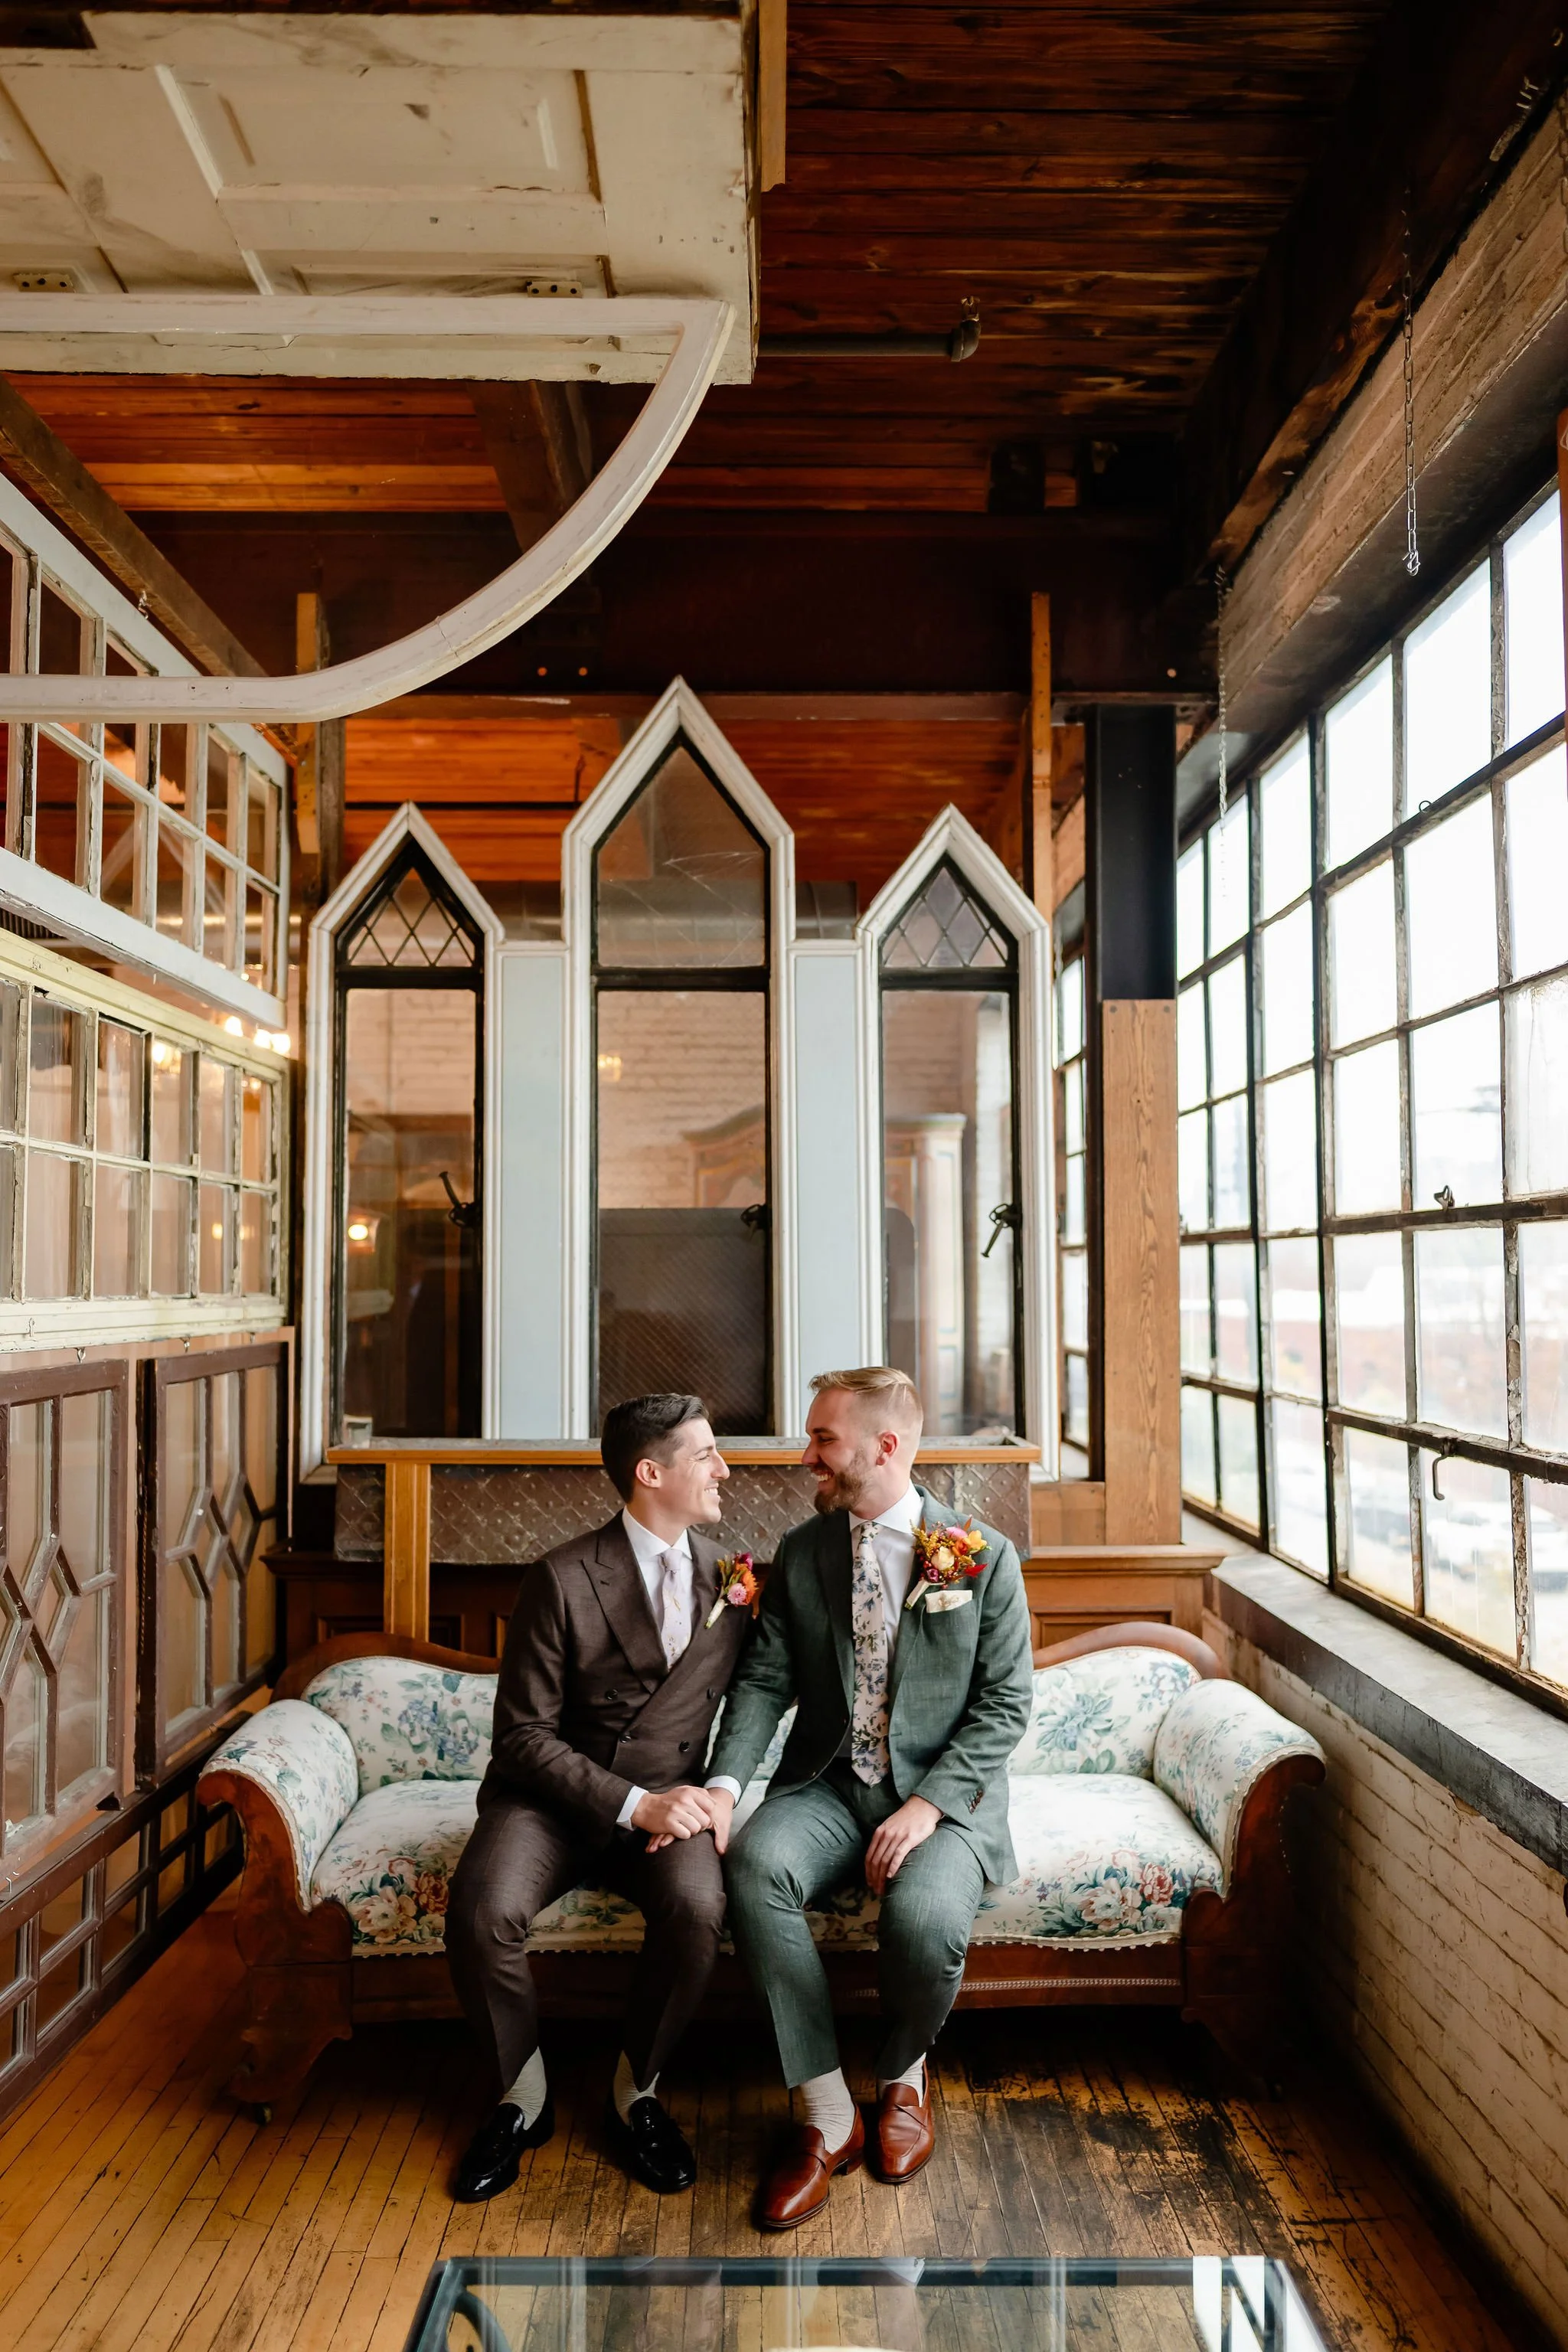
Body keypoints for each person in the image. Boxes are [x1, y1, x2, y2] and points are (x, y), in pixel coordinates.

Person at [704, 1365, 1032, 2230]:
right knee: (753, 1864)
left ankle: (901, 2078)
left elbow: (1005, 1705)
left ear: (883, 1447)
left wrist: (926, 1807)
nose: (804, 1454)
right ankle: (824, 2113)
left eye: (821, 1438)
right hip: (827, 1785)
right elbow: (765, 1678)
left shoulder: (980, 1556)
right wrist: (725, 1788)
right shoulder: (805, 1551)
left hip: (938, 1800)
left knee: (923, 1923)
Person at [446, 1392, 750, 2202]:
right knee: (481, 1909)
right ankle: (521, 2097)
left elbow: (758, 1691)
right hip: (548, 1802)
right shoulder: (560, 1576)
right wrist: (630, 1804)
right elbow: (521, 1737)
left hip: (672, 1803)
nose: (724, 1469)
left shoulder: (733, 1577)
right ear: (650, 1473)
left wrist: (712, 1791)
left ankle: (635, 2091)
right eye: (705, 1456)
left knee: (696, 1911)